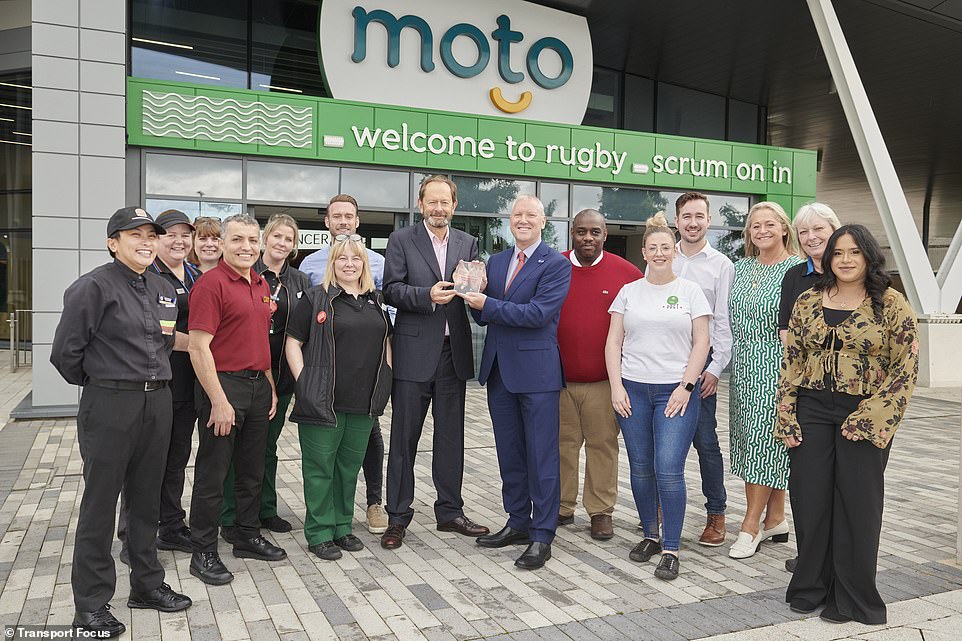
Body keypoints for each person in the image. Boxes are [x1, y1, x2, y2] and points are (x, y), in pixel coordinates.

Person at [51, 206, 192, 637]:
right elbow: (65, 356)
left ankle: (147, 586)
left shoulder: (163, 287)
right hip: (111, 404)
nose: (147, 242)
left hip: (158, 403)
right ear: (114, 243)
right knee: (100, 505)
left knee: (145, 501)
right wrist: (105, 382)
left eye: (152, 235)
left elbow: (166, 341)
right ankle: (90, 606)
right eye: (136, 236)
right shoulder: (92, 287)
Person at [776, 225, 918, 624]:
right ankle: (811, 585)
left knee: (857, 505)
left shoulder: (891, 304)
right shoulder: (806, 301)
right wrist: (786, 412)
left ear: (869, 256)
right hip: (811, 408)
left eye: (854, 252)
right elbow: (793, 363)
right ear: (829, 259)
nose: (846, 260)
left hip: (865, 410)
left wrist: (873, 418)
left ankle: (853, 596)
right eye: (838, 253)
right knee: (810, 500)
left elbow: (905, 369)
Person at [380, 175, 490, 549]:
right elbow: (390, 290)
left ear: (454, 205)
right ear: (421, 203)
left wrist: (478, 288)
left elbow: (471, 290)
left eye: (445, 202)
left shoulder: (467, 241)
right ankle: (397, 517)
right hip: (413, 355)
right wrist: (426, 295)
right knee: (404, 439)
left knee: (450, 439)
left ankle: (450, 512)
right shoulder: (401, 240)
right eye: (433, 202)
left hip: (451, 355)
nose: (439, 208)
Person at [464, 194, 571, 570]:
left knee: (541, 456)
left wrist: (486, 305)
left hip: (538, 376)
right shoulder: (495, 261)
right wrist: (469, 292)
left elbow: (538, 314)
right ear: (510, 221)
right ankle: (518, 523)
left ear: (543, 222)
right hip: (500, 373)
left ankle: (543, 535)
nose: (523, 220)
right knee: (510, 455)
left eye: (531, 215)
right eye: (517, 214)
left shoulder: (556, 264)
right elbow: (484, 316)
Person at [605, 213, 711, 580]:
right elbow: (613, 342)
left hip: (674, 392)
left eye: (666, 247)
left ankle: (671, 548)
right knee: (640, 467)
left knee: (668, 470)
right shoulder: (629, 291)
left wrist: (686, 386)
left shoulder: (690, 291)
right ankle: (650, 534)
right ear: (644, 253)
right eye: (653, 248)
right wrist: (616, 386)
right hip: (632, 389)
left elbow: (703, 342)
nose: (660, 253)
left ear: (674, 251)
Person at [187, 214, 286, 586]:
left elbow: (259, 342)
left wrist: (270, 386)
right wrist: (218, 400)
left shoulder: (260, 283)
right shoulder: (212, 284)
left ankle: (246, 535)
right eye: (237, 240)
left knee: (251, 470)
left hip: (258, 387)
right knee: (213, 474)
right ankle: (203, 551)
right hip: (223, 387)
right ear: (223, 245)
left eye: (251, 240)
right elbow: (198, 348)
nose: (246, 246)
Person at [285, 236, 394, 560]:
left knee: (348, 468)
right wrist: (304, 382)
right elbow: (293, 342)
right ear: (332, 264)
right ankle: (319, 532)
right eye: (342, 259)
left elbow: (386, 340)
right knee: (320, 469)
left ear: (365, 264)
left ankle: (342, 528)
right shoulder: (316, 298)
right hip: (322, 399)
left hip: (363, 402)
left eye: (356, 259)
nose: (349, 264)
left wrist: (386, 376)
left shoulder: (376, 300)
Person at [117, 210, 202, 565]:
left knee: (176, 459)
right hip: (154, 384)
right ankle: (132, 535)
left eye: (186, 234)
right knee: (145, 463)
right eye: (171, 235)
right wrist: (200, 344)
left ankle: (170, 525)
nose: (179, 240)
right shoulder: (148, 275)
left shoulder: (195, 275)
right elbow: (154, 332)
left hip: (186, 386)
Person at [220, 214, 310, 541]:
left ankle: (265, 510)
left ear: (293, 245)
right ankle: (230, 513)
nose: (281, 243)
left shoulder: (300, 282)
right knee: (236, 449)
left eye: (288, 239)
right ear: (265, 240)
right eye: (276, 237)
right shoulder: (247, 272)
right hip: (242, 375)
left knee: (266, 446)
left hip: (281, 377)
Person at [556, 209, 642, 540]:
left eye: (594, 232)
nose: (587, 238)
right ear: (572, 234)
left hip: (605, 381)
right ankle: (562, 506)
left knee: (602, 445)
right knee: (561, 445)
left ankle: (600, 511)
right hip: (559, 380)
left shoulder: (627, 273)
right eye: (581, 232)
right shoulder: (555, 266)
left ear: (605, 234)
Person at [727, 202, 802, 559]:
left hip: (777, 363)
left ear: (784, 229)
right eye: (755, 225)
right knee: (751, 441)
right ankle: (775, 518)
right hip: (743, 365)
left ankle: (750, 526)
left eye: (769, 224)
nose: (761, 230)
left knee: (765, 443)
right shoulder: (741, 267)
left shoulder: (798, 269)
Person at [778, 202, 842, 573]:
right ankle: (810, 557)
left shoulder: (850, 273)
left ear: (834, 229)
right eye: (803, 232)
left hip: (846, 397)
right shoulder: (794, 278)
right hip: (806, 393)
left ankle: (836, 558)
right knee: (807, 485)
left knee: (840, 484)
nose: (811, 237)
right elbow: (789, 338)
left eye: (818, 229)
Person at [670, 193, 735, 547]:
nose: (692, 222)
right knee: (661, 443)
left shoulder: (721, 265)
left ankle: (716, 513)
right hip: (661, 365)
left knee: (705, 443)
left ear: (708, 221)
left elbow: (723, 321)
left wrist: (714, 368)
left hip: (702, 368)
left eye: (699, 216)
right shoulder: (662, 257)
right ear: (676, 220)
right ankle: (663, 510)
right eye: (686, 216)